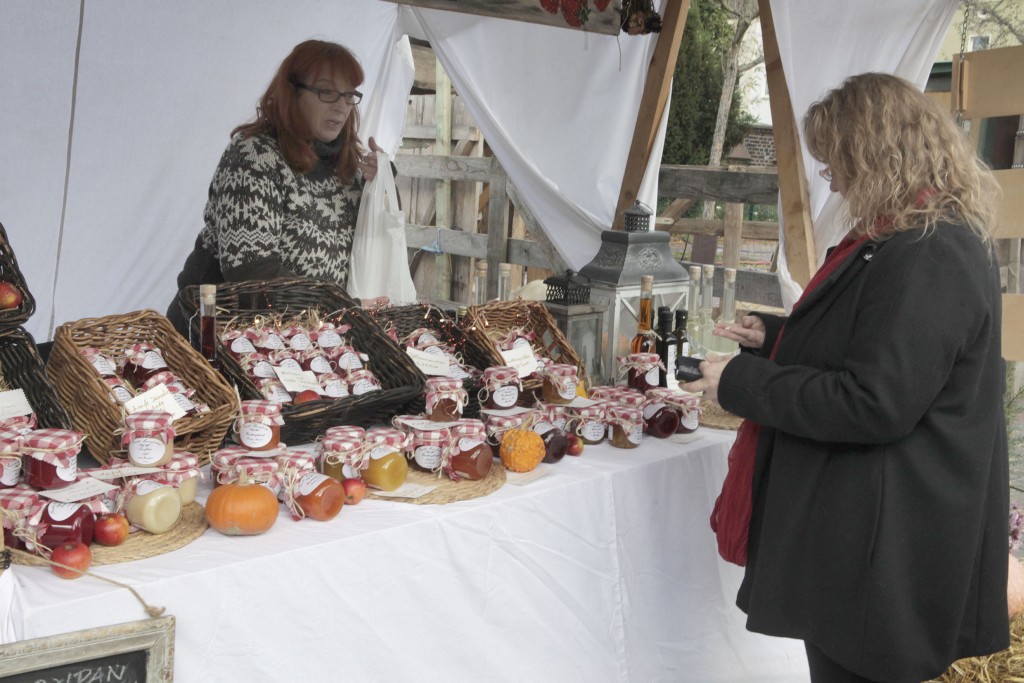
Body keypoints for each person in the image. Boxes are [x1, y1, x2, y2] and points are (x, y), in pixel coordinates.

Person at [681, 72, 1009, 682]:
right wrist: (776, 337)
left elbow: (875, 401)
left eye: (837, 163)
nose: (832, 180)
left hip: (888, 546)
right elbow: (880, 345)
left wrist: (741, 384)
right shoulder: (908, 238)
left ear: (877, 155)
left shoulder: (931, 251)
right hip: (866, 534)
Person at [167, 39, 385, 335]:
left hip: (306, 338)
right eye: (327, 92)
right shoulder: (254, 156)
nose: (341, 106)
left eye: (349, 95)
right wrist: (343, 309)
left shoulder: (349, 169)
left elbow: (376, 246)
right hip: (216, 335)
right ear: (293, 92)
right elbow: (252, 273)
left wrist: (383, 186)